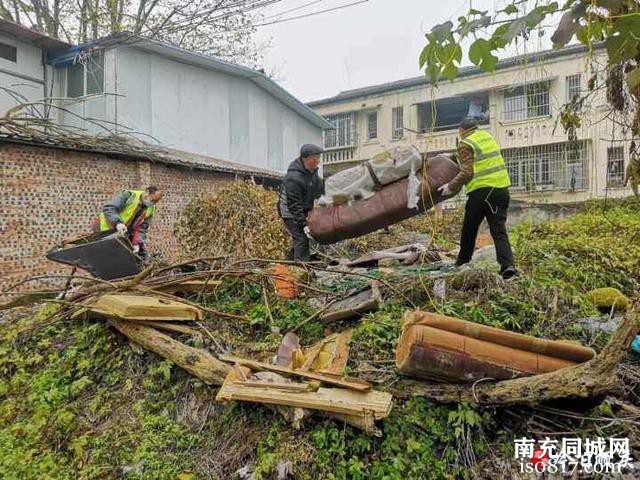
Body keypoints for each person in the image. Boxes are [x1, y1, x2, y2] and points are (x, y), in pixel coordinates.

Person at [438, 118, 517, 279]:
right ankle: (508, 266)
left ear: (461, 131)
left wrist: (450, 187)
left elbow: (467, 171)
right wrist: (452, 156)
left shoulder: (465, 143)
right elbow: (476, 157)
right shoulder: (487, 138)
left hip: (482, 192)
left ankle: (462, 261)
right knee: (499, 230)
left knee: (469, 228)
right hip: (501, 191)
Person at [277, 144, 325, 262]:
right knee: (301, 238)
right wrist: (304, 224)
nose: (318, 162)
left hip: (302, 210)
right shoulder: (294, 177)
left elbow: (320, 186)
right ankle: (302, 269)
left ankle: (288, 264)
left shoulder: (312, 172)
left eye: (319, 158)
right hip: (289, 212)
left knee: (298, 238)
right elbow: (294, 205)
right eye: (316, 159)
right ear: (307, 159)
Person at [93, 186, 163, 257]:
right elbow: (109, 208)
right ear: (147, 192)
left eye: (155, 202)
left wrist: (136, 243)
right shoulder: (129, 196)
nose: (152, 203)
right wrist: (118, 223)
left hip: (122, 233)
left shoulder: (150, 209)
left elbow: (142, 229)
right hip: (105, 229)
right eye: (152, 200)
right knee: (108, 255)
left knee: (142, 255)